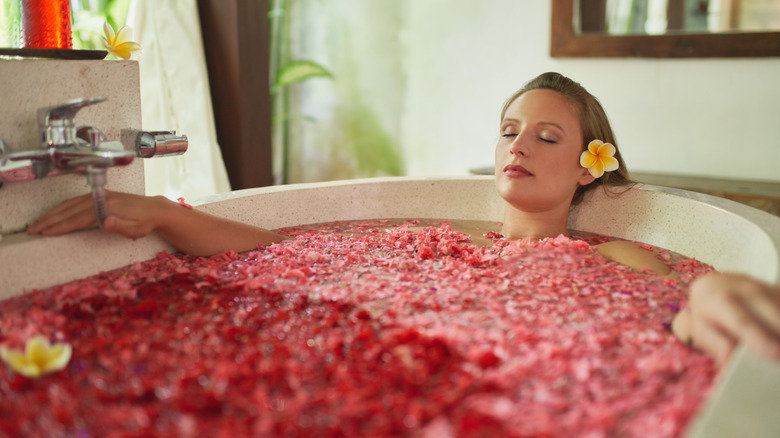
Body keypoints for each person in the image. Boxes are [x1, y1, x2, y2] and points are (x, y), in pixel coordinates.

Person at [27, 72, 780, 367]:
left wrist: (714, 295)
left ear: (592, 164)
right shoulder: (442, 246)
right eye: (510, 129)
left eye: (547, 137)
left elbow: (678, 308)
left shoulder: (613, 252)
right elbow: (287, 253)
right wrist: (161, 212)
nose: (519, 146)